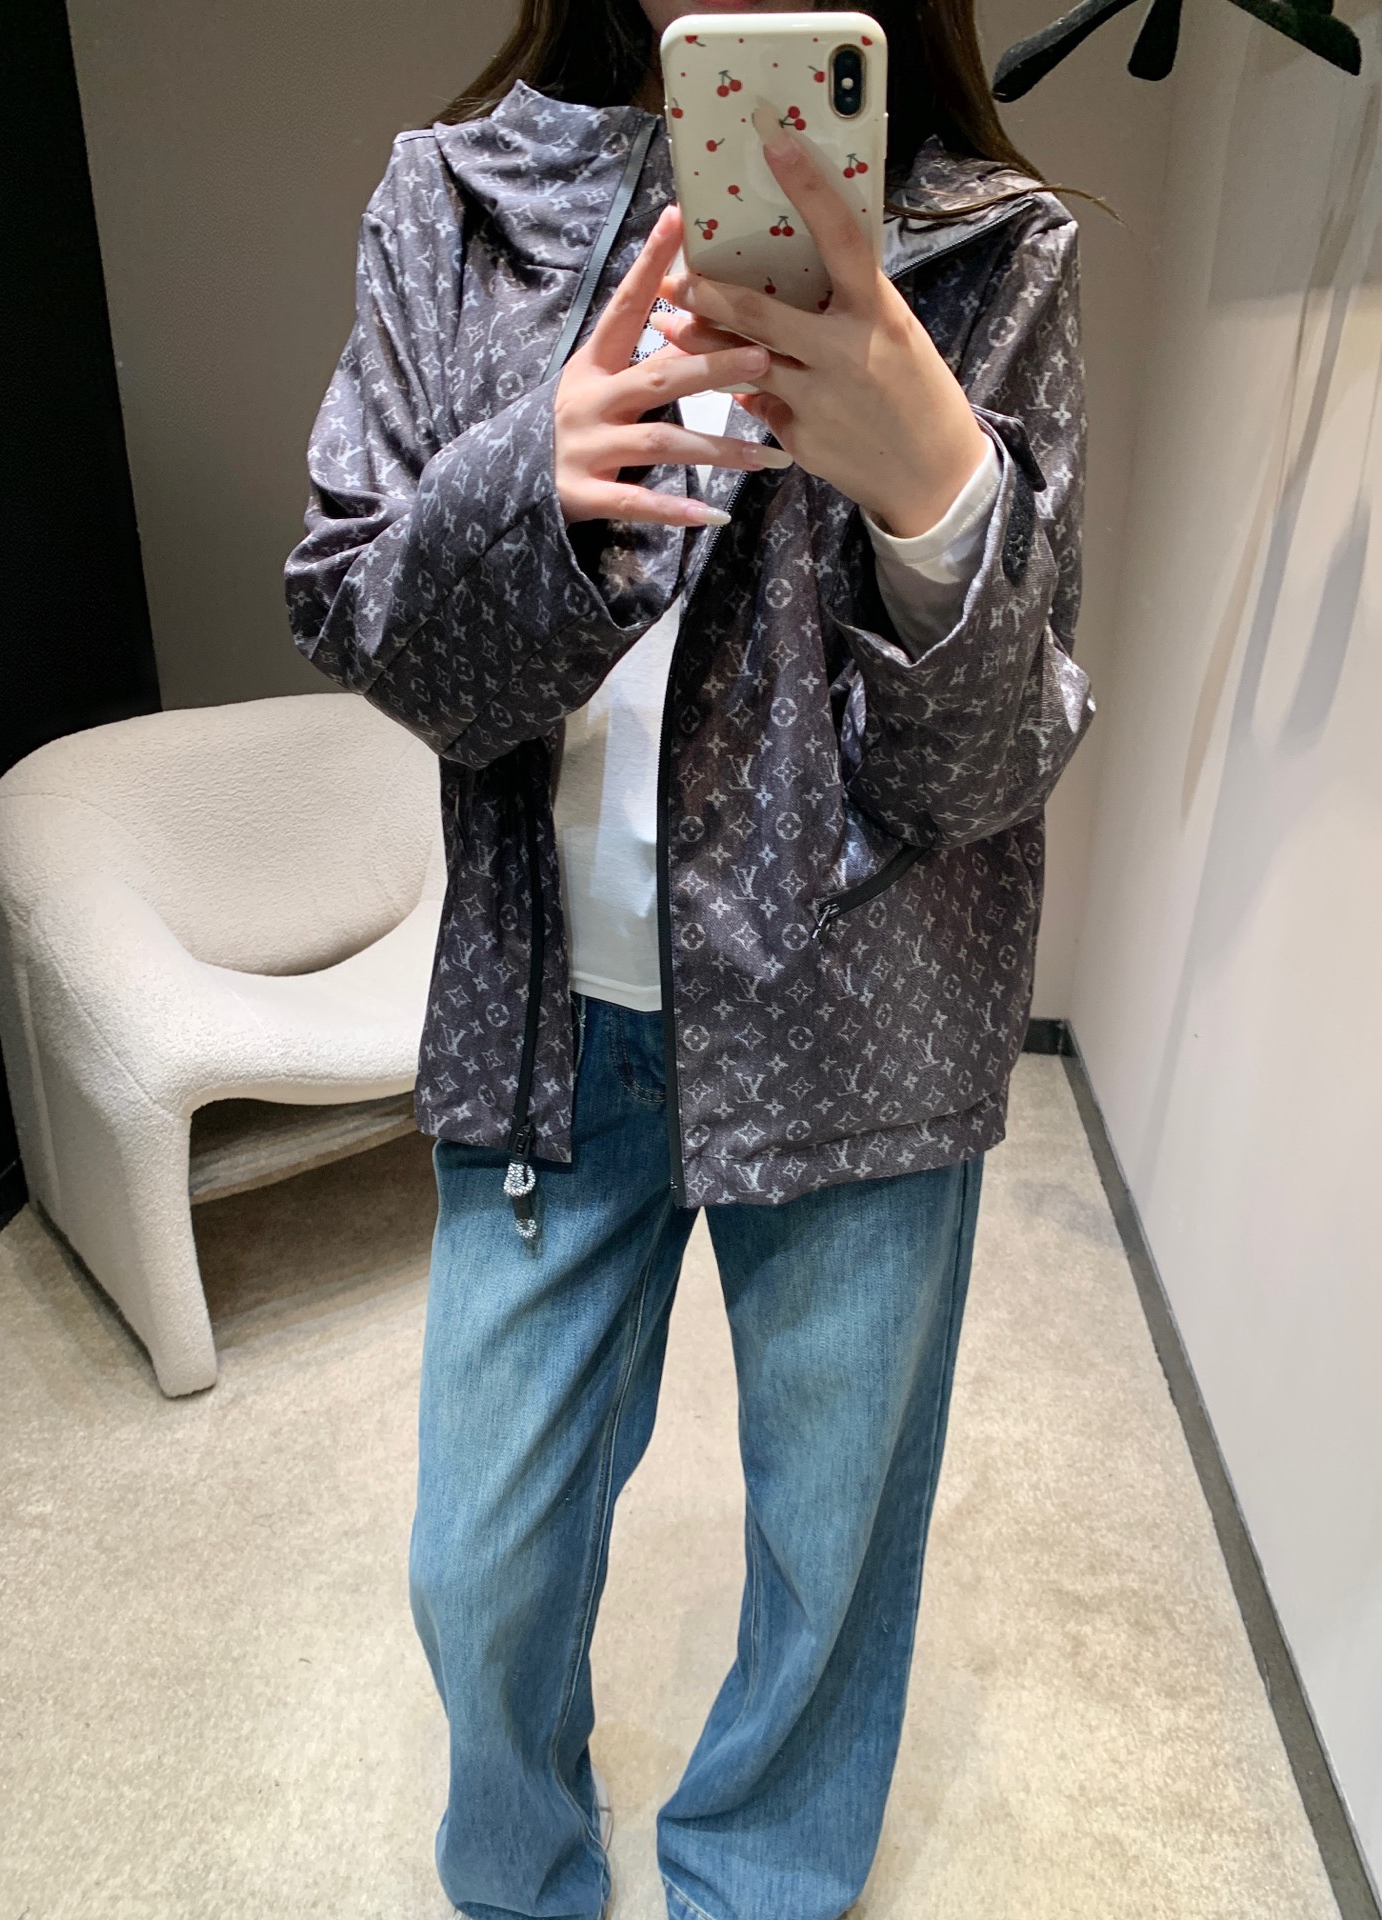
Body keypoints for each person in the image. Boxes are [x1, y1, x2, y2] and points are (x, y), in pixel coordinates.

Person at [284, 2, 1094, 1914]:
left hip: (867, 1018)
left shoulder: (995, 248)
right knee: (479, 1567)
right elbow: (357, 615)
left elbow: (989, 773)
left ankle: (762, 1888)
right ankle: (522, 1882)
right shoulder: (454, 200)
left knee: (832, 1547)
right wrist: (530, 482)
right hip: (549, 1021)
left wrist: (934, 499)